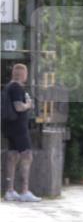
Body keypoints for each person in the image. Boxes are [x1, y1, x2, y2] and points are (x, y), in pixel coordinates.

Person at [2, 63, 40, 202]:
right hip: (19, 128)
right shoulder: (17, 88)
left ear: (13, 74)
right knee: (27, 155)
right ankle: (24, 191)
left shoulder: (8, 87)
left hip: (8, 126)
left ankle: (10, 191)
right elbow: (18, 107)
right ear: (23, 75)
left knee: (12, 156)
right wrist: (28, 105)